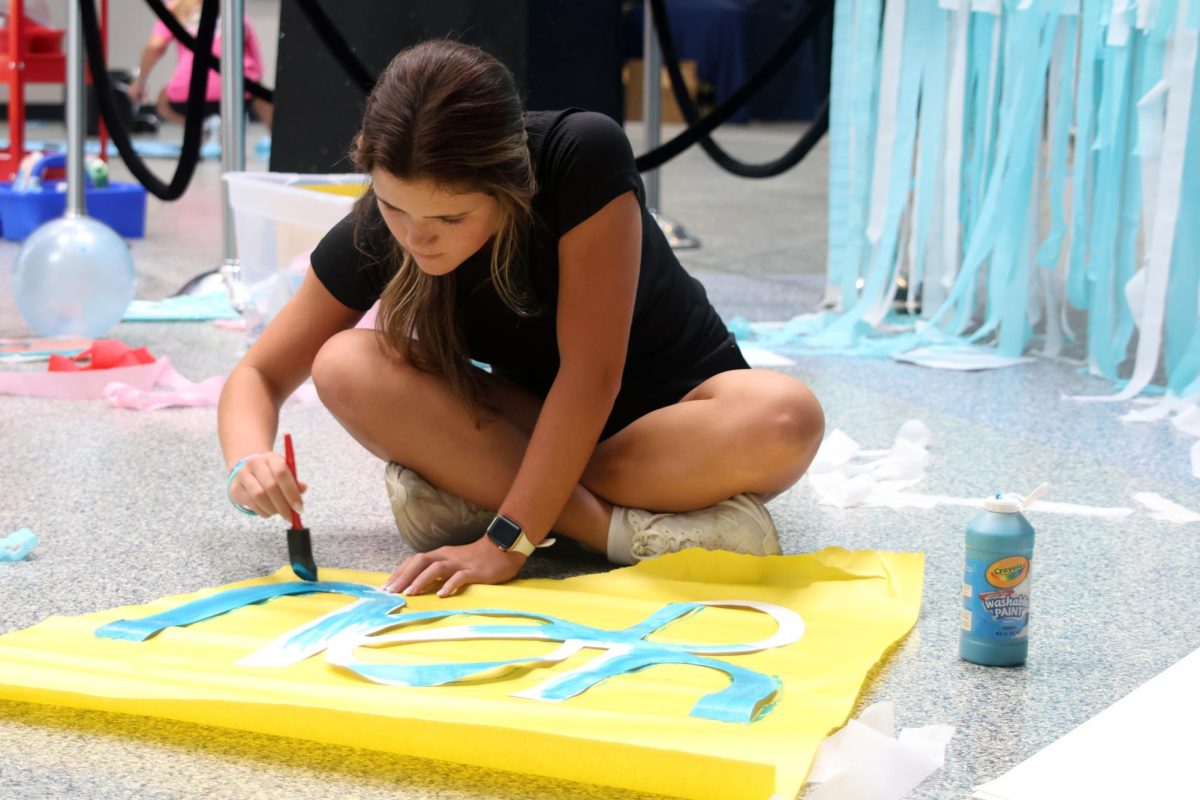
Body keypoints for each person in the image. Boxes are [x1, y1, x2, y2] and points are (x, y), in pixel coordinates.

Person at [217, 39, 824, 599]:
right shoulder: (391, 223)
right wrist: (249, 462)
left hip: (679, 423)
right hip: (544, 430)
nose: (417, 238)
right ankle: (622, 532)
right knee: (345, 363)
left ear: (510, 185)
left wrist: (505, 538)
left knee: (786, 416)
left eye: (451, 220)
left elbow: (592, 378)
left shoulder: (581, 154)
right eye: (394, 206)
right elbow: (260, 375)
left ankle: (500, 496)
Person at [128, 0, 273, 130]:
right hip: (238, 89)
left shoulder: (175, 8)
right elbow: (252, 51)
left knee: (162, 100)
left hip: (191, 90)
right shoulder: (231, 7)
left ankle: (199, 134)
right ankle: (282, 143)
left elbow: (155, 47)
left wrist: (141, 81)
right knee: (261, 96)